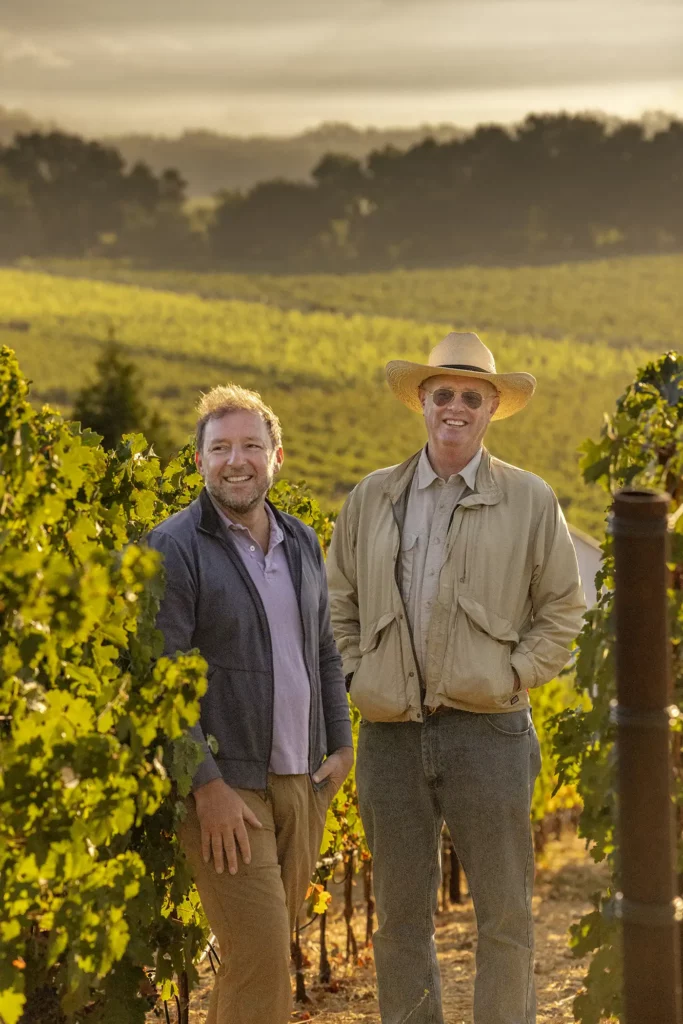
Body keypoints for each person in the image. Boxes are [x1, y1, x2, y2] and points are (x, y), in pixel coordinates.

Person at [326, 332, 585, 1024]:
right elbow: (337, 600)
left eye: (471, 396)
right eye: (442, 393)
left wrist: (515, 674)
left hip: (490, 731)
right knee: (399, 923)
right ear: (422, 402)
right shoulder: (372, 498)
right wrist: (355, 675)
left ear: (491, 407)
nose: (455, 407)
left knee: (503, 917)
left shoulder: (530, 500)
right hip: (390, 737)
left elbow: (564, 606)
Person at [148, 384, 353, 1024]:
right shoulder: (174, 547)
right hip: (228, 787)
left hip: (302, 781)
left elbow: (323, 648)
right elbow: (161, 679)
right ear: (200, 459)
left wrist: (341, 745)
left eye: (251, 446)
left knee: (259, 956)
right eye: (220, 448)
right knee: (261, 956)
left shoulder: (300, 541)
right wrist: (205, 786)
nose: (236, 461)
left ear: (277, 457)